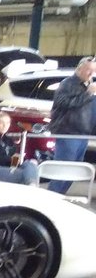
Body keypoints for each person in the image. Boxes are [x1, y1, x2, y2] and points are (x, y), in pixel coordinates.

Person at [47, 56, 96, 194]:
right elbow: (63, 103)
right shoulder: (67, 83)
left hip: (83, 134)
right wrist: (88, 94)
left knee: (72, 172)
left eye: (94, 71)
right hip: (68, 133)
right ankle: (51, 196)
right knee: (62, 170)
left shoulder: (88, 86)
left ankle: (60, 196)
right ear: (79, 69)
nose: (91, 74)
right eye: (89, 70)